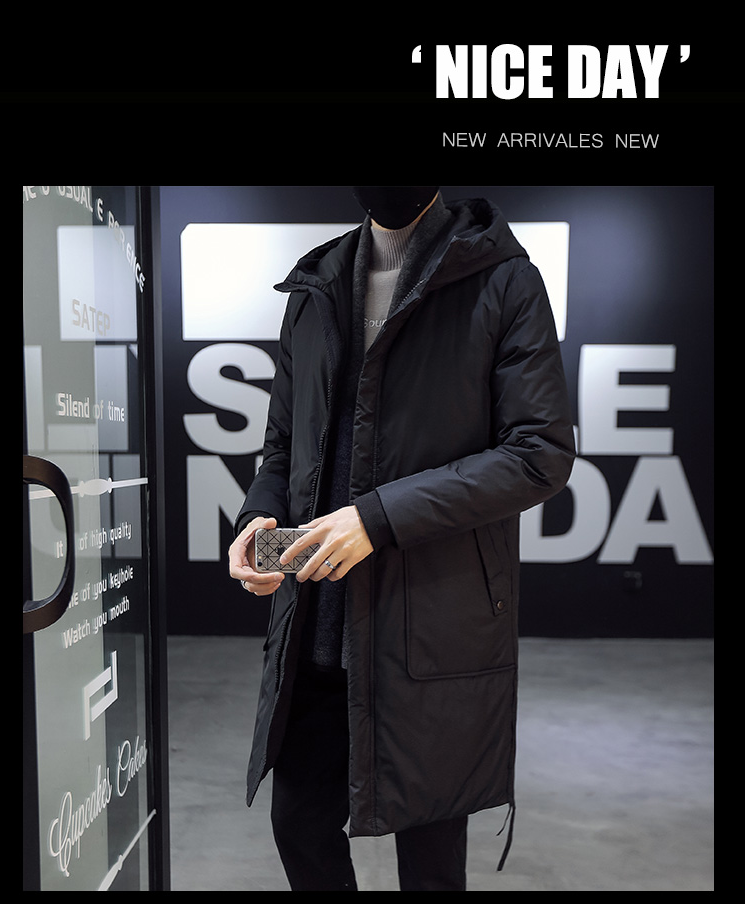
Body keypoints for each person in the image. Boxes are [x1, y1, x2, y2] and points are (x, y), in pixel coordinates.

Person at [228, 187, 575, 891]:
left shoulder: (502, 280)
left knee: (431, 865)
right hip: (319, 628)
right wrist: (257, 517)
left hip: (432, 632)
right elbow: (282, 447)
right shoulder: (317, 284)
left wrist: (377, 518)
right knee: (299, 827)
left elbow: (538, 454)